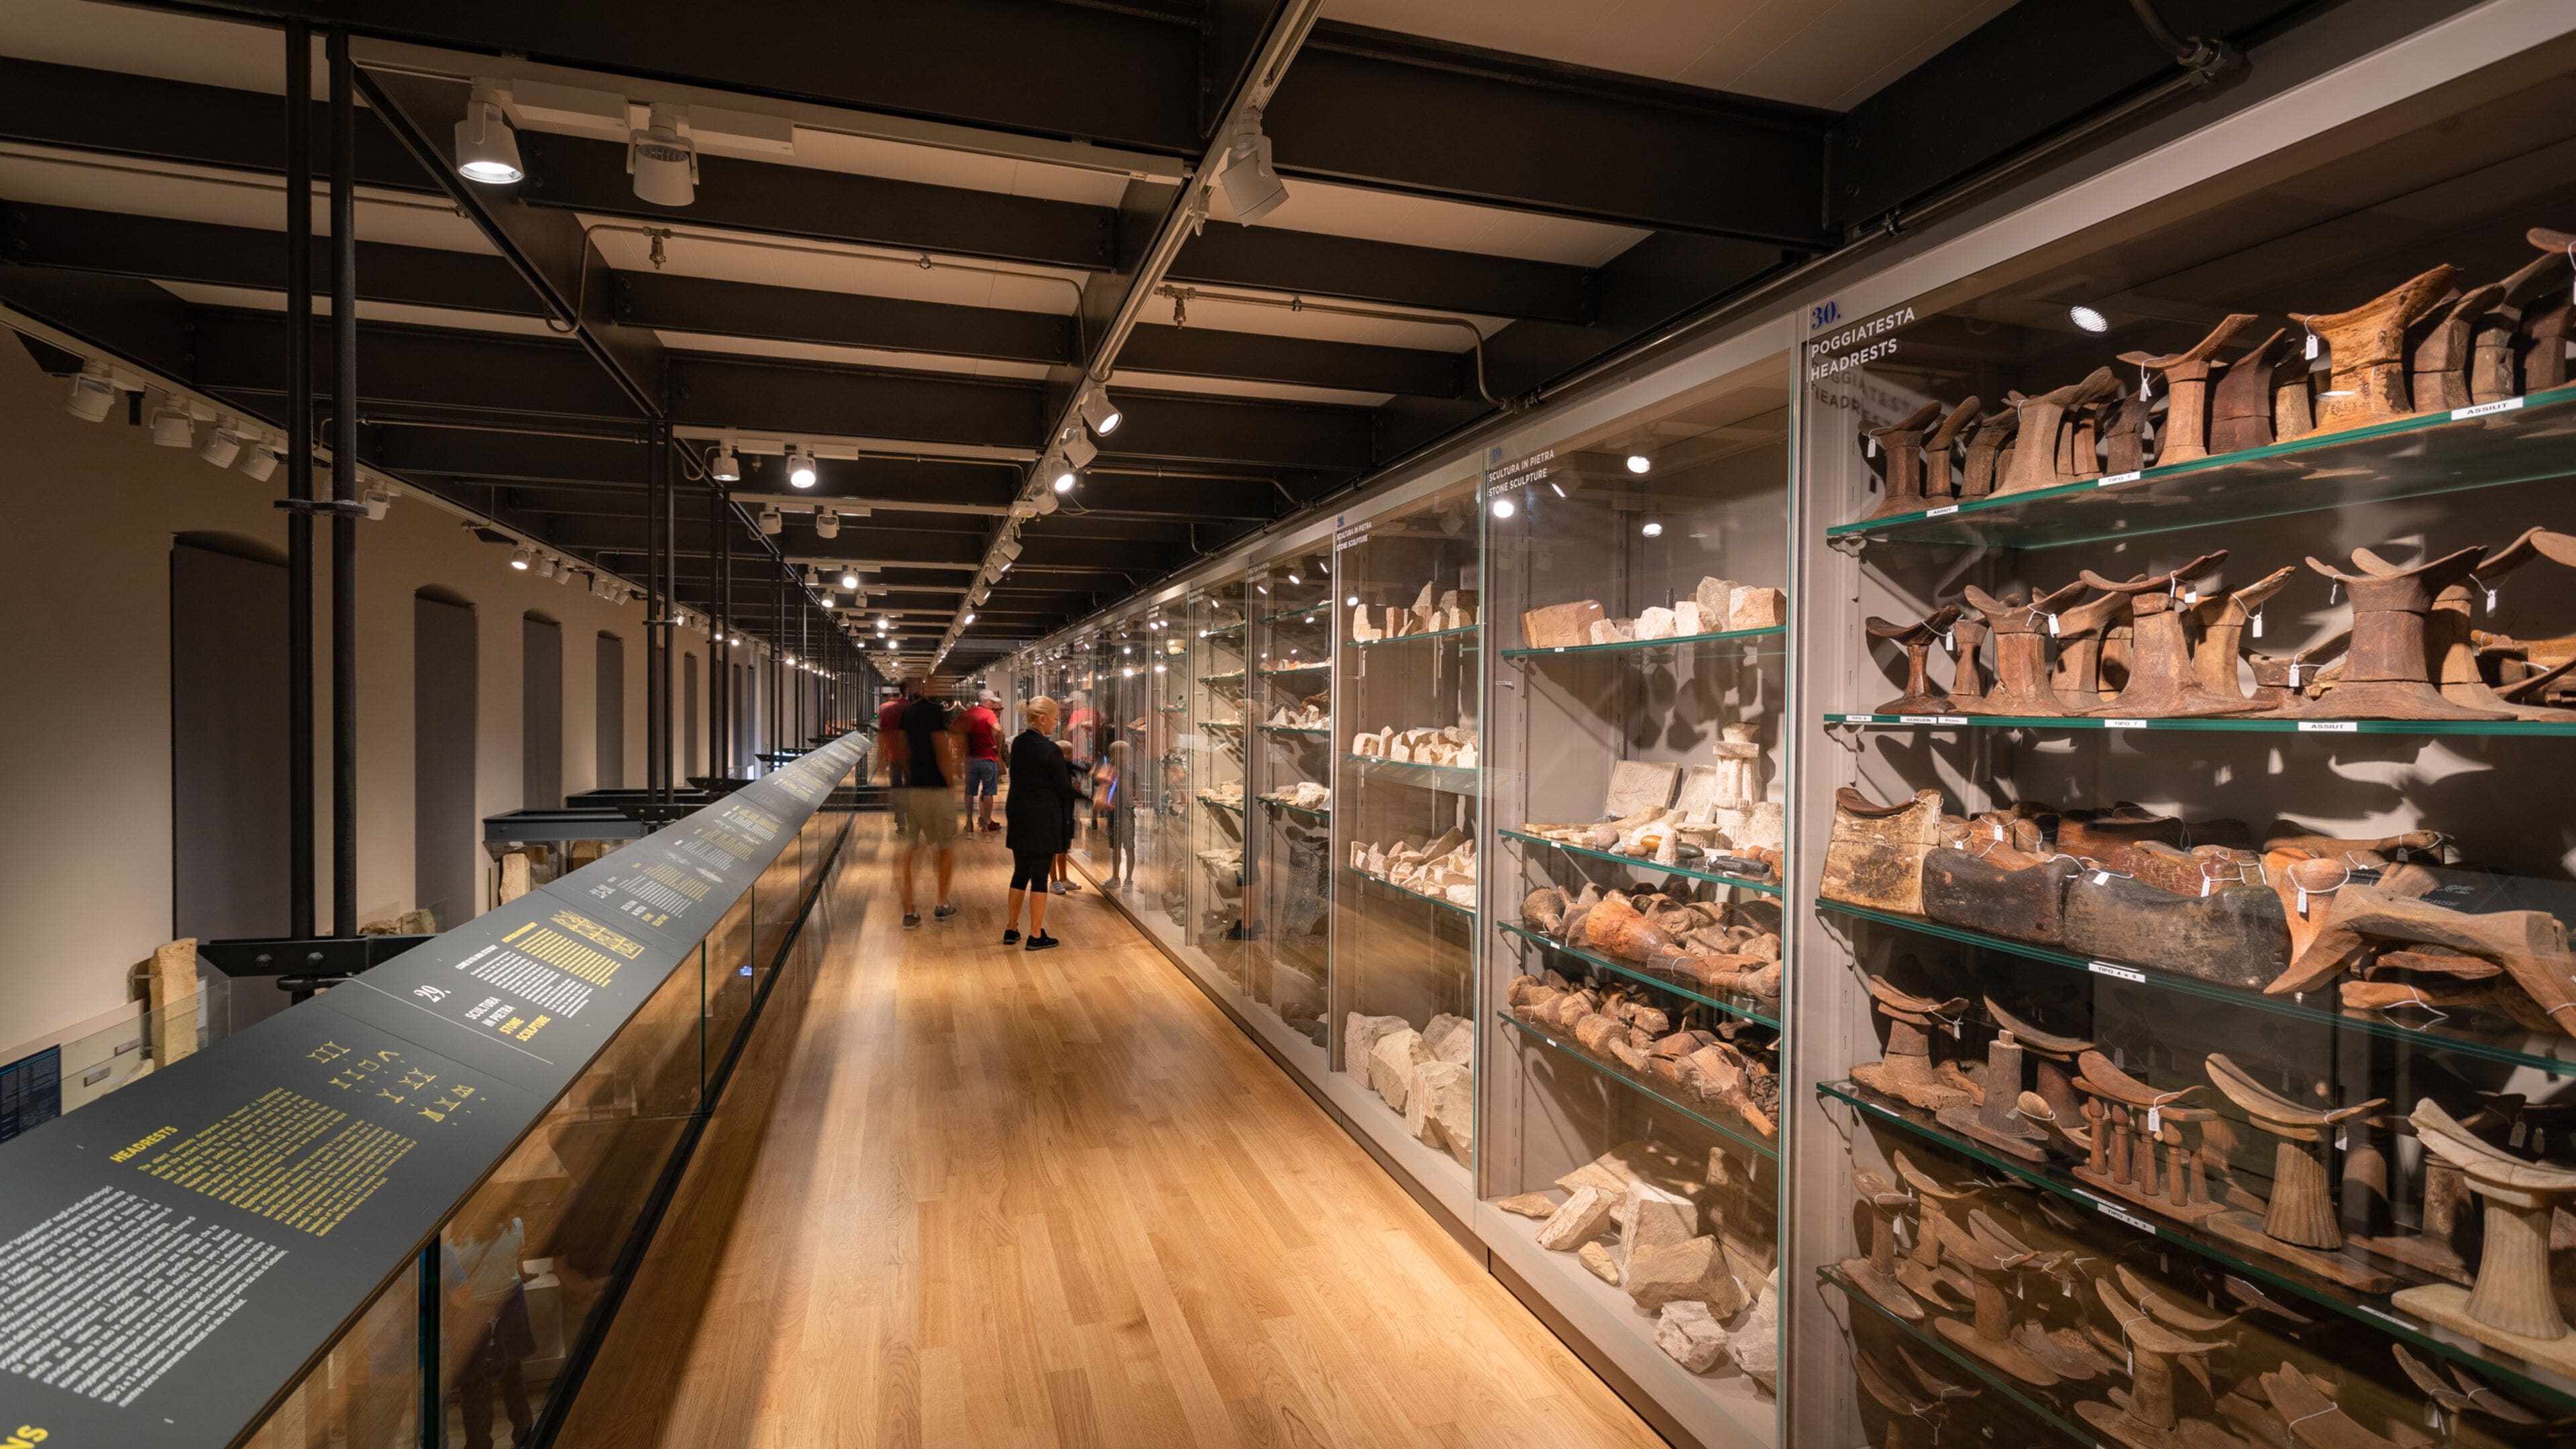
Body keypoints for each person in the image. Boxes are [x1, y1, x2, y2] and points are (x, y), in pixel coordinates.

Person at [1004, 695, 1078, 951]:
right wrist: (1093, 797)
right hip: (1043, 818)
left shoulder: (1020, 743)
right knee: (1039, 877)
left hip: (1019, 812)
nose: (1056, 724)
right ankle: (1036, 935)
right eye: (1056, 718)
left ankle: (1011, 929)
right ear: (1043, 718)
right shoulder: (1050, 749)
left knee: (1020, 871)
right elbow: (1064, 789)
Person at [891, 679, 961, 928]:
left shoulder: (906, 713)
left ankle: (909, 911)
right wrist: (950, 783)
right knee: (945, 847)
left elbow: (901, 750)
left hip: (914, 789)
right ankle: (942, 903)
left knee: (910, 851)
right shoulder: (934, 713)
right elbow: (942, 750)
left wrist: (910, 776)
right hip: (936, 789)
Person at [960, 688, 1004, 833]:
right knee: (988, 792)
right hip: (988, 757)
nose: (993, 705)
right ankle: (985, 822)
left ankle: (969, 822)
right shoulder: (989, 714)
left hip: (971, 758)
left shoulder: (968, 713)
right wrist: (997, 747)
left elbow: (955, 731)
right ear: (987, 701)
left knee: (969, 792)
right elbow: (999, 729)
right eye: (992, 702)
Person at [1093, 738, 1134, 891]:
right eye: (1116, 754)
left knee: (1129, 847)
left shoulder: (1131, 773)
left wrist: (1119, 777)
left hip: (1127, 813)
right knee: (1116, 847)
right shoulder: (1108, 769)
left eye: (1124, 754)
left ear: (1129, 755)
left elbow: (1134, 793)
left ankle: (1129, 879)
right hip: (1114, 813)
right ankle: (1115, 877)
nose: (1120, 758)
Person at [875, 686, 910, 788]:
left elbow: (882, 733)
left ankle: (898, 802)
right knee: (910, 782)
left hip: (892, 751)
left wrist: (881, 754)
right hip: (909, 751)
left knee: (896, 783)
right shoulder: (909, 706)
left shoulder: (884, 708)